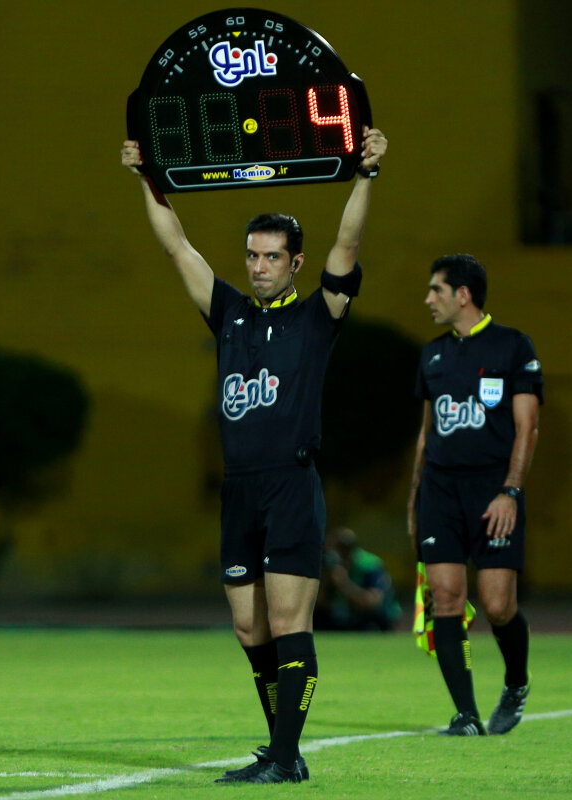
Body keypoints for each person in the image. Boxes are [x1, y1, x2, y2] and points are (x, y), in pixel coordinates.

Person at [121, 125, 387, 784]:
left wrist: (365, 174)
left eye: (271, 256)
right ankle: (282, 748)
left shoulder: (317, 317)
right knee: (249, 628)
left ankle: (286, 755)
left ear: (296, 263)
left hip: (290, 484)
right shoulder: (229, 313)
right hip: (239, 488)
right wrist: (146, 178)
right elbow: (176, 244)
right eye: (252, 254)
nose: (258, 265)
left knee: (291, 621)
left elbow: (348, 244)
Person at [406, 254, 543, 736]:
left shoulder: (512, 346)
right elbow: (426, 434)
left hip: (492, 491)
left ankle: (516, 683)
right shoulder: (432, 355)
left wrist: (510, 491)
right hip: (440, 491)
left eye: (436, 290)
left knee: (498, 605)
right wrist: (415, 497)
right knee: (445, 597)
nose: (428, 299)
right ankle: (465, 714)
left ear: (462, 295)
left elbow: (527, 428)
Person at [314, 526, 401, 631]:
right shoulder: (328, 565)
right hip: (340, 619)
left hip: (374, 620)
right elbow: (318, 603)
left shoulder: (369, 564)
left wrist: (344, 584)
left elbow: (374, 602)